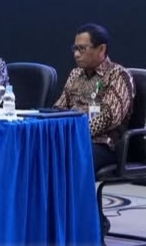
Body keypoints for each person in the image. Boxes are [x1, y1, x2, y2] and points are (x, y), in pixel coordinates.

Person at [54, 23, 134, 173]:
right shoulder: (75, 74)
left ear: (101, 49)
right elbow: (60, 107)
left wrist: (75, 132)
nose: (76, 54)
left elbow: (109, 117)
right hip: (73, 137)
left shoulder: (118, 75)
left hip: (102, 144)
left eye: (82, 49)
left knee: (71, 156)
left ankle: (75, 190)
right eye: (75, 49)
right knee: (42, 149)